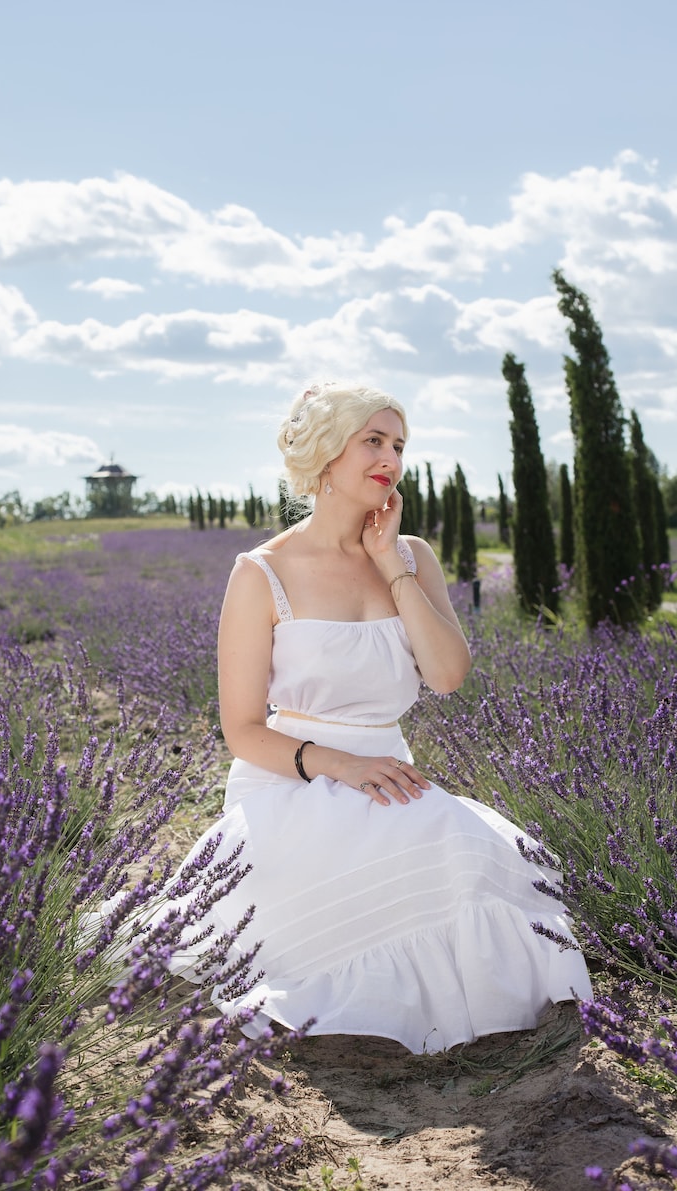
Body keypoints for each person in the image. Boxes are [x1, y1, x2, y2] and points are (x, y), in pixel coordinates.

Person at [101, 381, 592, 1055]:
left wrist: (392, 564)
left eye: (398, 445)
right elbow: (242, 728)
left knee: (478, 854)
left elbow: (447, 674)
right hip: (290, 783)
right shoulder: (261, 572)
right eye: (373, 440)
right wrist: (341, 765)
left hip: (390, 778)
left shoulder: (413, 554)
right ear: (327, 453)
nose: (390, 457)